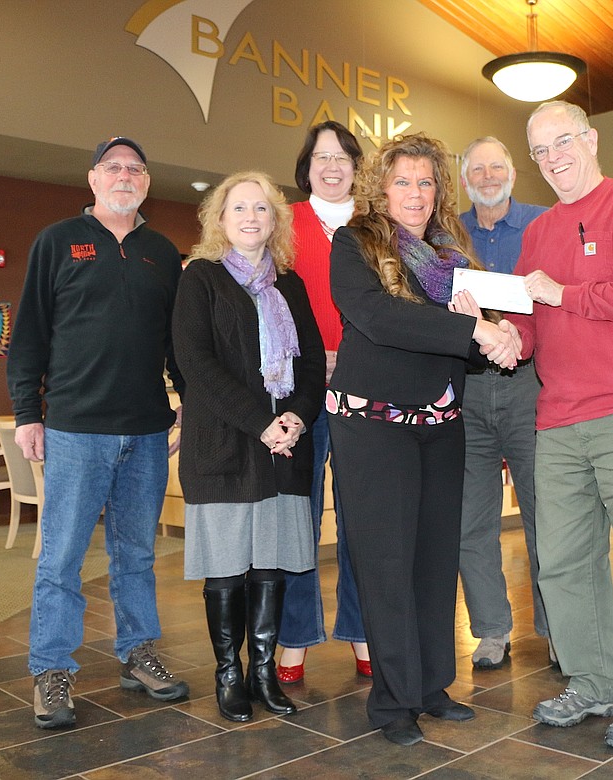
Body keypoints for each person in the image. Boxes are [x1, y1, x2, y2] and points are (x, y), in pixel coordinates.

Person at [327, 132, 522, 746]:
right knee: (387, 564)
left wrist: (503, 332)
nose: (416, 192)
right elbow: (379, 317)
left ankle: (432, 684)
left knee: (435, 560)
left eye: (427, 181)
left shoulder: (450, 249)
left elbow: (481, 315)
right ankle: (391, 704)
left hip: (439, 422)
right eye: (404, 180)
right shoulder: (353, 241)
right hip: (372, 422)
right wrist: (473, 335)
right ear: (381, 187)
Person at [505, 101, 613, 753]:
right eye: (540, 150)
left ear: (592, 139)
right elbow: (529, 326)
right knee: (562, 563)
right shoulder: (536, 233)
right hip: (557, 421)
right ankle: (596, 681)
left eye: (562, 142)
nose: (553, 158)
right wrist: (501, 336)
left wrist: (561, 293)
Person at [8, 136, 189, 730]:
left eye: (136, 168)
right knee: (60, 556)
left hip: (145, 433)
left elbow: (175, 343)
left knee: (135, 554)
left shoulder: (162, 252)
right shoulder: (57, 242)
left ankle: (138, 654)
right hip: (75, 429)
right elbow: (30, 331)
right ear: (92, 179)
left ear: (146, 182)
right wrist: (27, 413)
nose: (125, 176)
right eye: (113, 167)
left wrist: (187, 402)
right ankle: (51, 670)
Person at [172, 171, 325, 722]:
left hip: (284, 447)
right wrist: (262, 421)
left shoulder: (292, 285)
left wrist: (296, 418)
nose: (251, 217)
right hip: (224, 447)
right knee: (227, 568)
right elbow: (197, 366)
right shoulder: (200, 280)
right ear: (220, 220)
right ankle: (228, 675)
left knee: (271, 566)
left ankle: (263, 673)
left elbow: (310, 363)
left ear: (275, 220)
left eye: (261, 208)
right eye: (239, 208)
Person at [277, 121, 371, 683]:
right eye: (320, 157)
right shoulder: (283, 222)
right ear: (306, 168)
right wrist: (313, 357)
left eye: (341, 156)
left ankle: (362, 631)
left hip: (368, 387)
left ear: (357, 166)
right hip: (300, 390)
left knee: (361, 517)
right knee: (298, 517)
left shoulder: (378, 224)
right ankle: (294, 639)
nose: (331, 166)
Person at [457, 136, 549, 669]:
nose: (488, 176)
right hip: (466, 387)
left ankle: (558, 626)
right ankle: (490, 630)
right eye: (478, 168)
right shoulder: (449, 234)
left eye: (497, 165)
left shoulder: (543, 224)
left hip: (530, 386)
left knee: (546, 513)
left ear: (513, 170)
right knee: (473, 517)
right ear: (465, 175)